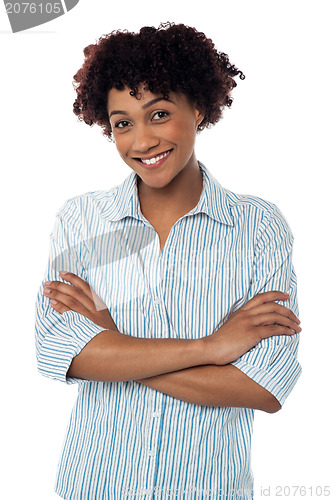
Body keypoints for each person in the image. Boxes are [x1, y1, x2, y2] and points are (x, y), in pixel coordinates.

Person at [34, 22, 302, 500]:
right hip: (94, 486)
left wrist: (113, 347)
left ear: (198, 108)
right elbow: (61, 353)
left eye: (158, 114)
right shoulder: (83, 220)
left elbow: (264, 387)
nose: (141, 142)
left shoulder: (258, 226)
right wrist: (212, 347)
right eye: (122, 123)